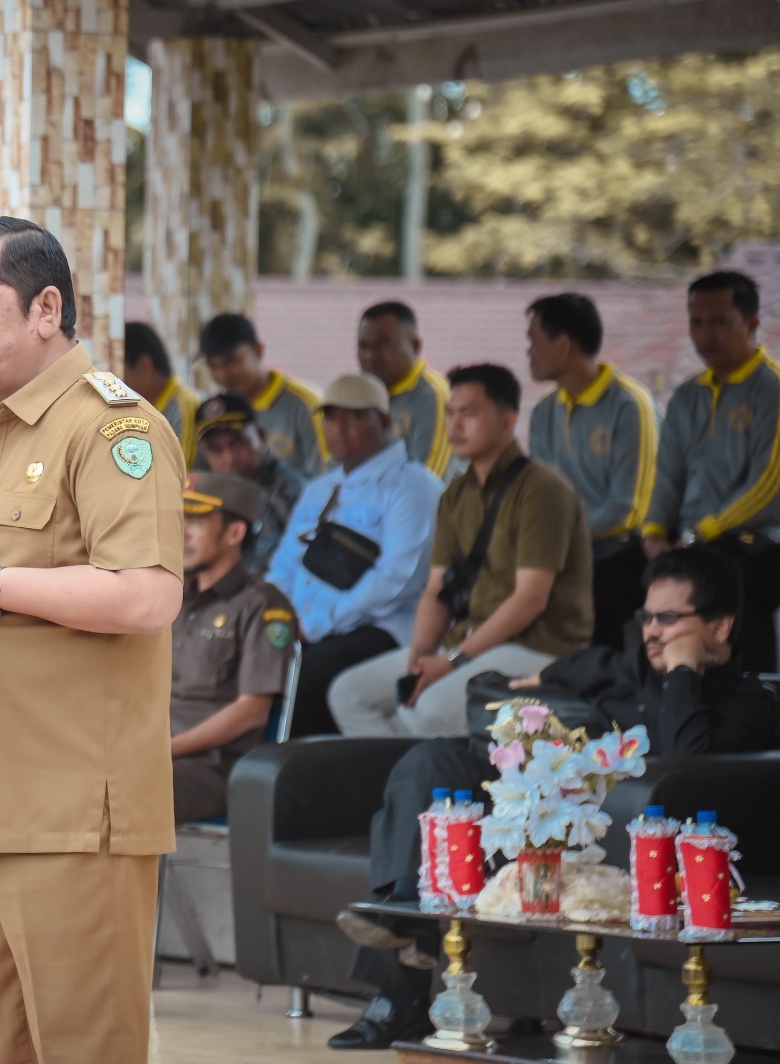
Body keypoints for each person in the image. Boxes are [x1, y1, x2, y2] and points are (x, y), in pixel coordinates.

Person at [0, 216, 184, 1063]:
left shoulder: (113, 428)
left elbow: (147, 595)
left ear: (46, 307)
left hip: (65, 810)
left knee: (84, 1050)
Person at [327, 547, 779, 1050]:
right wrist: (529, 691)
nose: (652, 632)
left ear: (719, 627)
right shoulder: (622, 669)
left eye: (670, 619)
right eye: (647, 617)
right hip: (541, 815)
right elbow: (547, 679)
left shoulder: (747, 705)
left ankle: (399, 990)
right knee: (430, 761)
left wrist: (681, 677)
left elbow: (687, 770)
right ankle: (398, 918)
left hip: (607, 836)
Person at [327, 364, 593, 738]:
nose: (454, 425)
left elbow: (530, 600)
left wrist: (453, 661)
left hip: (539, 647)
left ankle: (438, 787)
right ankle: (403, 789)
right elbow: (438, 590)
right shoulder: (455, 495)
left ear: (507, 420)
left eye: (469, 413)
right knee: (350, 694)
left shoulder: (542, 488)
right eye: (450, 413)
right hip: (469, 644)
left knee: (433, 708)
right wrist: (420, 655)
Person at [266, 374, 442, 737]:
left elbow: (396, 578)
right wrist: (278, 617)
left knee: (310, 674)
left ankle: (293, 779)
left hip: (378, 629)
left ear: (386, 423)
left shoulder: (413, 486)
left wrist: (319, 623)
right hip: (306, 626)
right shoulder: (320, 488)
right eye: (331, 418)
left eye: (356, 417)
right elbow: (284, 565)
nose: (340, 429)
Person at [643, 271, 780, 672]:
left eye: (719, 322)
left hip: (761, 537)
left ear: (752, 324)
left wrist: (700, 533)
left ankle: (759, 695)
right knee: (621, 573)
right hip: (694, 540)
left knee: (734, 576)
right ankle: (649, 698)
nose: (705, 334)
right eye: (696, 322)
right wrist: (653, 533)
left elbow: (768, 487)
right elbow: (667, 474)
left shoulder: (771, 390)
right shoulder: (686, 397)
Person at [526, 293, 660, 650]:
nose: (528, 352)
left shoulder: (630, 405)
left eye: (534, 341)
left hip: (625, 549)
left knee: (596, 588)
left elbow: (628, 509)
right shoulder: (542, 414)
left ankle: (598, 693)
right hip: (570, 549)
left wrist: (561, 544)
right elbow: (542, 500)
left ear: (564, 344)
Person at [171, 473, 297, 823]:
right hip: (149, 757)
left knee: (114, 792)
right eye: (178, 518)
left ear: (234, 533)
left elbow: (252, 711)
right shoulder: (170, 598)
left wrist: (162, 751)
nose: (181, 532)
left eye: (195, 520)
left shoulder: (263, 605)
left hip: (209, 770)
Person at [199, 312, 327, 478]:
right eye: (213, 367)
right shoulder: (219, 412)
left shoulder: (306, 403)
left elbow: (326, 476)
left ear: (258, 351)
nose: (222, 375)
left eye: (231, 362)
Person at [196, 392, 306, 573]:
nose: (230, 459)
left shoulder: (289, 492)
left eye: (238, 444)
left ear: (261, 437)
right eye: (216, 450)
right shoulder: (204, 495)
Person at [356, 301, 454, 478]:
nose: (371, 356)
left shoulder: (434, 395)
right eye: (364, 346)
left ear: (415, 346)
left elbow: (429, 484)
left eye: (383, 345)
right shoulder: (361, 395)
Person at [124, 321, 201, 468]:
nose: (115, 382)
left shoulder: (183, 407)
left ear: (144, 367)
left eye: (119, 373)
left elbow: (181, 475)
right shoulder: (144, 407)